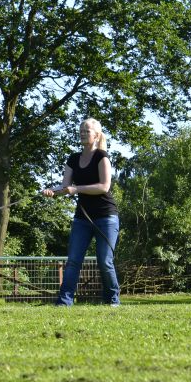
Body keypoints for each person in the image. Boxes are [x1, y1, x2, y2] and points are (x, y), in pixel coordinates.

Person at [42, 118, 120, 306]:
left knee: (104, 261)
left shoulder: (102, 156)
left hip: (106, 217)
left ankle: (112, 300)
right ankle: (64, 302)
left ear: (96, 135)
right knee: (73, 261)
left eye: (87, 131)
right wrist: (51, 191)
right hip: (82, 219)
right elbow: (65, 187)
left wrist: (77, 189)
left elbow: (104, 186)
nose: (83, 133)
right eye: (81, 131)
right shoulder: (73, 159)